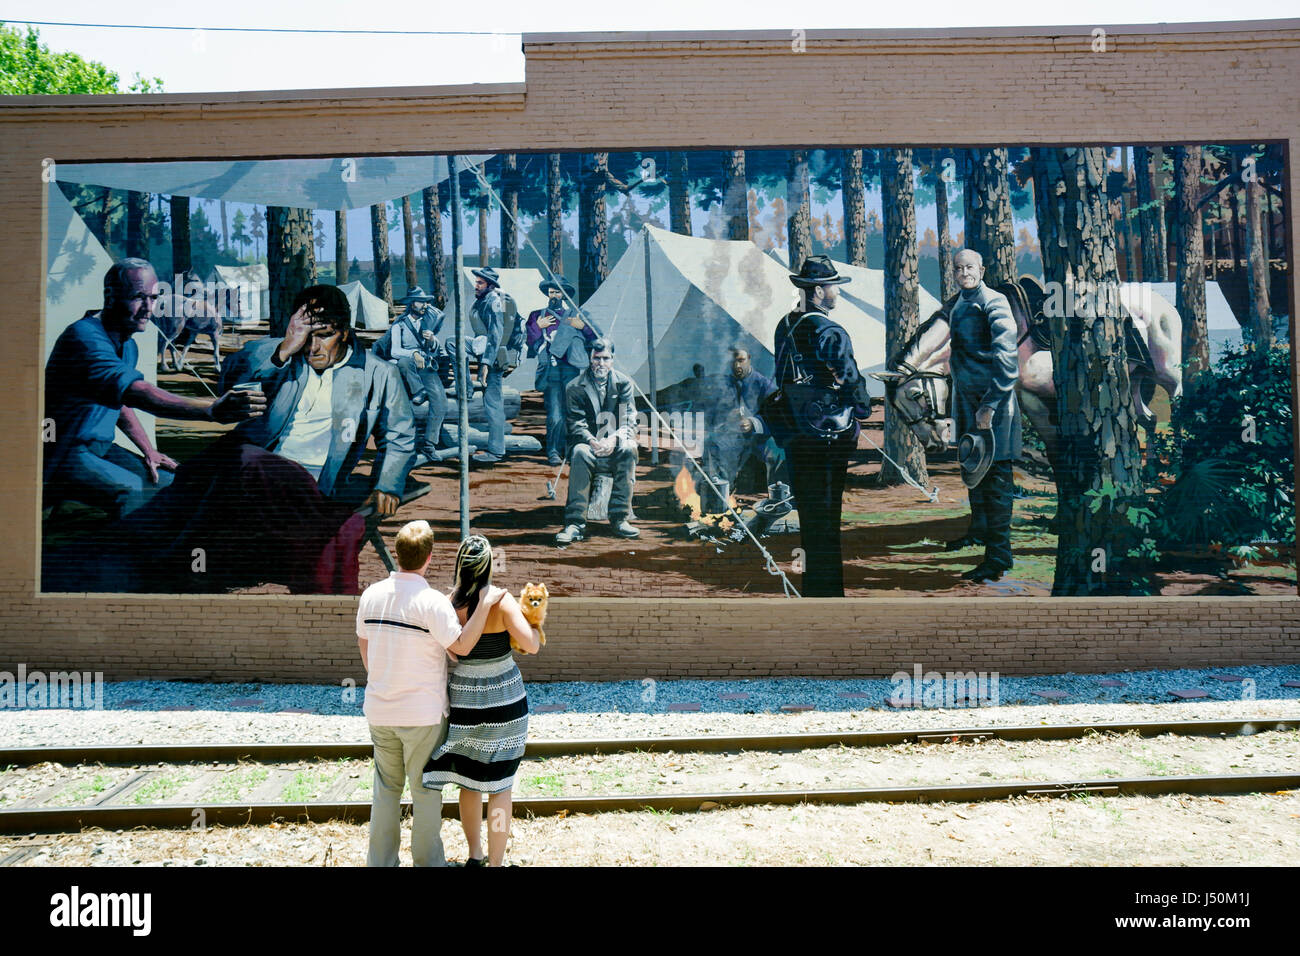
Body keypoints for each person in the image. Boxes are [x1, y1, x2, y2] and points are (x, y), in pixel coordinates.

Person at [117, 284, 416, 593]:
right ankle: (171, 563)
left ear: (343, 332)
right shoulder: (276, 352)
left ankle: (169, 564)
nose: (312, 347)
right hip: (248, 476)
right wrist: (283, 350)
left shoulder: (377, 374)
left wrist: (387, 483)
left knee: (242, 459)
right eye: (305, 334)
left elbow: (400, 435)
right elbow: (229, 382)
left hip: (304, 482)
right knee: (210, 474)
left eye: (323, 334)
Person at [43, 258, 264, 520]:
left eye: (153, 298)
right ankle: (126, 558)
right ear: (110, 296)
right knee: (131, 491)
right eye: (138, 297)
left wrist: (149, 450)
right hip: (64, 452)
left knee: (169, 481)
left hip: (98, 448)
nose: (148, 308)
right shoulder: (84, 337)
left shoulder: (128, 345)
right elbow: (138, 393)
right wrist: (212, 410)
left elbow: (120, 404)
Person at [358, 520, 507, 867]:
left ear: (397, 554)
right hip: (423, 716)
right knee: (425, 791)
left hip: (379, 711)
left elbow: (366, 649)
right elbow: (463, 647)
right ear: (428, 558)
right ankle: (428, 863)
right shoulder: (432, 603)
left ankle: (380, 863)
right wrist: (484, 604)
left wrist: (385, 682)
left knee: (386, 791)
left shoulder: (371, 596)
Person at [423, 535, 541, 867]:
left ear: (460, 565)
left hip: (465, 698)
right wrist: (533, 621)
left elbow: (451, 650)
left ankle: (474, 855)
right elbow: (531, 645)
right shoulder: (502, 602)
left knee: (469, 782)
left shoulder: (448, 603)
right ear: (489, 566)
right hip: (505, 697)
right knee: (501, 786)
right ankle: (496, 863)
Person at [768, 255, 870, 598]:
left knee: (809, 514)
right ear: (816, 291)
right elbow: (852, 379)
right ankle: (829, 592)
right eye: (831, 287)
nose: (835, 294)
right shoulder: (830, 330)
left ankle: (812, 588)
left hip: (796, 432)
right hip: (826, 435)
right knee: (828, 515)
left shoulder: (785, 325)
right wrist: (862, 406)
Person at [945, 249, 1021, 583]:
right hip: (966, 405)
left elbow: (1007, 359)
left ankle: (999, 558)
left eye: (970, 267)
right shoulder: (959, 304)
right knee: (974, 474)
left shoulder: (995, 303)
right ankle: (978, 534)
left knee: (997, 483)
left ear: (982, 268)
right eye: (959, 268)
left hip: (994, 408)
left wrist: (990, 404)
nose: (965, 273)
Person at [555, 339, 640, 544]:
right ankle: (575, 523)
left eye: (605, 358)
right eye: (596, 358)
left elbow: (629, 419)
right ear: (589, 358)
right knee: (580, 453)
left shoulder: (624, 383)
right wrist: (593, 441)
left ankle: (620, 519)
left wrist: (613, 439)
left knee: (629, 448)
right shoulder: (574, 386)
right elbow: (575, 423)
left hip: (615, 441)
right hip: (587, 442)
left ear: (612, 360)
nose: (600, 363)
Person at [699, 347, 785, 505]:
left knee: (778, 450)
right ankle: (722, 499)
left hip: (760, 437)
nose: (737, 366)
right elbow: (713, 415)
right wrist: (726, 420)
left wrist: (753, 422)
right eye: (733, 362)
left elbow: (776, 414)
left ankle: (778, 502)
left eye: (741, 360)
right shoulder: (723, 385)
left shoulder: (764, 384)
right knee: (713, 442)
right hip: (733, 437)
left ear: (749, 358)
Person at [525, 275, 595, 466]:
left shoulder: (575, 314)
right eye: (551, 291)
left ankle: (573, 450)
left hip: (573, 370)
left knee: (574, 412)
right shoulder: (536, 315)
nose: (554, 295)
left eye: (557, 291)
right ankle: (554, 451)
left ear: (564, 294)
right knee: (555, 413)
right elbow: (529, 342)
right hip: (552, 369)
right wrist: (537, 327)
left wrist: (582, 327)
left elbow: (596, 337)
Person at [374, 287, 447, 466]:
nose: (424, 305)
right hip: (408, 366)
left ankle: (429, 444)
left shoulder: (427, 323)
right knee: (404, 363)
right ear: (411, 304)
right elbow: (395, 350)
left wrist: (432, 341)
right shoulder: (399, 325)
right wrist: (414, 353)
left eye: (425, 302)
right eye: (420, 301)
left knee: (440, 401)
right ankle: (418, 391)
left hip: (425, 366)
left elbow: (435, 349)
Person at [466, 267, 524, 466]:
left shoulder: (494, 302)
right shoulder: (482, 301)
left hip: (494, 358)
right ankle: (466, 385)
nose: (476, 285)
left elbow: (495, 335)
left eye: (480, 283)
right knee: (492, 404)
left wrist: (485, 364)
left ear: (490, 285)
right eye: (476, 282)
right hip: (486, 354)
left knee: (493, 405)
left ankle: (496, 451)